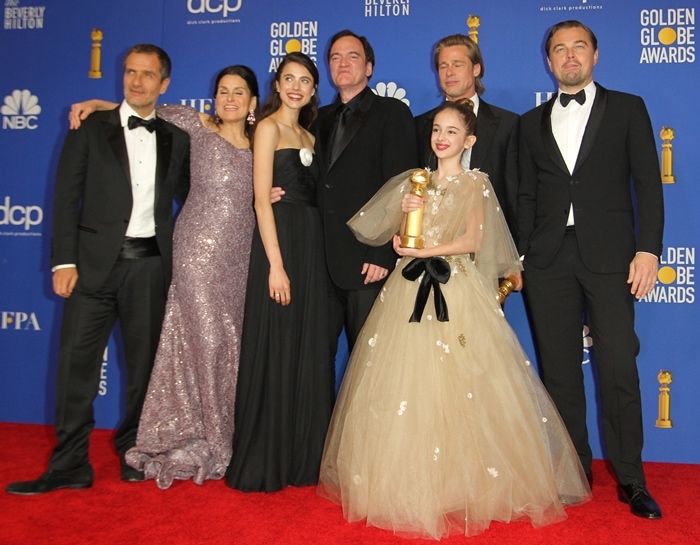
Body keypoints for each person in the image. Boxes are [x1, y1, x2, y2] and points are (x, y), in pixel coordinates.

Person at [318, 99, 590, 539]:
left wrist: (423, 251)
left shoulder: (475, 183)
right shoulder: (415, 181)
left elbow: (472, 240)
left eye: (451, 131)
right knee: (409, 385)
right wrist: (404, 213)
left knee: (466, 383)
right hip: (408, 288)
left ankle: (469, 481)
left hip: (456, 288)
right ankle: (414, 479)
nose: (441, 138)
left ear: (469, 140)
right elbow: (387, 234)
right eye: (437, 130)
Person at [6, 44, 190, 495]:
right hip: (90, 269)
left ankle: (134, 454)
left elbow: (199, 194)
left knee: (144, 371)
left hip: (149, 268)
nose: (136, 81)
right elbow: (66, 196)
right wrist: (64, 260)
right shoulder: (88, 129)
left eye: (147, 75)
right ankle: (69, 463)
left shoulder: (178, 138)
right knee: (75, 367)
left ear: (163, 84)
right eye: (130, 72)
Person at [65, 65, 261, 489]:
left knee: (230, 342)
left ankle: (223, 428)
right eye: (222, 90)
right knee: (206, 340)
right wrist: (98, 105)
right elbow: (140, 107)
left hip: (241, 254)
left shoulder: (262, 140)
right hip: (195, 252)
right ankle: (208, 435)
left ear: (252, 103)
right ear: (213, 98)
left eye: (239, 92)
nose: (229, 98)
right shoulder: (195, 124)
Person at [517, 20, 664, 519]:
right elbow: (525, 196)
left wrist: (649, 250)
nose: (570, 56)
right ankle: (572, 471)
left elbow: (648, 184)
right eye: (560, 49)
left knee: (619, 365)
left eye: (579, 47)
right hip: (548, 260)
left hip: (612, 258)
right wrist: (521, 255)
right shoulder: (530, 123)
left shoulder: (627, 108)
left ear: (595, 55)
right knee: (559, 372)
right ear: (549, 60)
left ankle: (631, 479)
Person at [225, 52, 334, 492]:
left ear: (312, 89)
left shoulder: (310, 134)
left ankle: (301, 458)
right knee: (276, 345)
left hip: (312, 245)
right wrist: (275, 265)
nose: (296, 86)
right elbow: (259, 200)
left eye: (305, 80)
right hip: (281, 245)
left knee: (307, 349)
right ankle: (268, 458)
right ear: (277, 84)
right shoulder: (266, 128)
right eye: (289, 78)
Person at [315, 30, 417, 356]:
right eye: (335, 57)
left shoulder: (392, 112)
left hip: (366, 259)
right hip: (318, 261)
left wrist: (382, 252)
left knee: (369, 361)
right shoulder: (316, 119)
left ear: (369, 67)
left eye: (352, 56)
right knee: (316, 362)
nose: (343, 63)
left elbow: (400, 184)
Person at [414, 34, 519, 233]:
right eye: (443, 66)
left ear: (476, 69)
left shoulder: (508, 124)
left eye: (458, 64)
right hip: (432, 240)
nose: (449, 72)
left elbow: (514, 192)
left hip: (491, 240)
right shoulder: (420, 125)